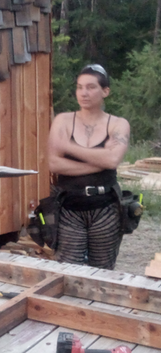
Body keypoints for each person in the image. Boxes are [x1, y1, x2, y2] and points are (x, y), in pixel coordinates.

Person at [47, 64, 130, 269]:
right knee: (68, 271)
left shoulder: (118, 124)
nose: (84, 93)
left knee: (103, 271)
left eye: (91, 87)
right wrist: (100, 162)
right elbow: (54, 163)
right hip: (69, 206)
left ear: (105, 91)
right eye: (79, 87)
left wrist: (68, 147)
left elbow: (112, 160)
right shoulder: (63, 121)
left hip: (106, 206)